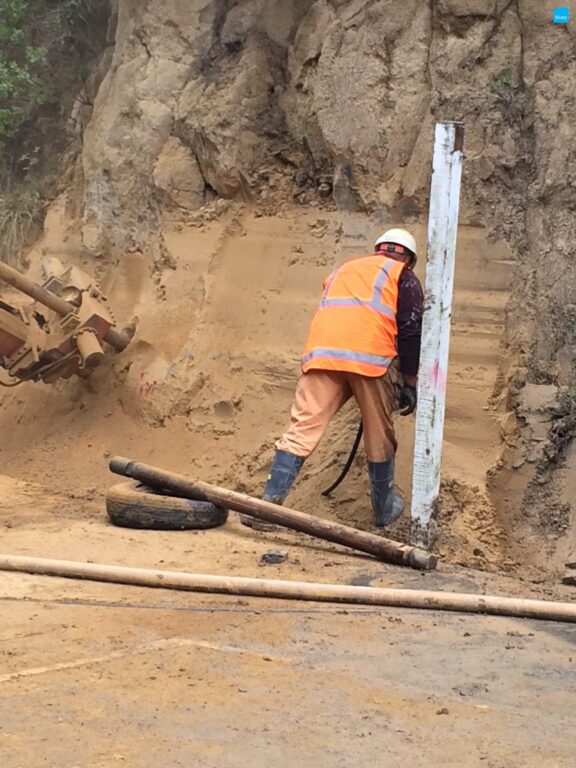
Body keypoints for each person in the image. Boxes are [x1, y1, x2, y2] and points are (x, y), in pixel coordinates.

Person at [241, 228, 423, 530]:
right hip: (371, 360)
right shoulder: (403, 275)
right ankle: (384, 509)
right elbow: (410, 328)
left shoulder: (345, 269)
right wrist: (410, 382)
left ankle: (268, 509)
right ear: (410, 259)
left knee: (302, 429)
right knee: (379, 435)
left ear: (378, 248)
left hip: (324, 356)